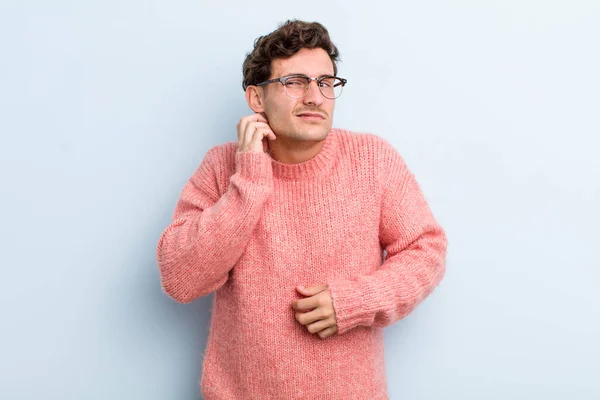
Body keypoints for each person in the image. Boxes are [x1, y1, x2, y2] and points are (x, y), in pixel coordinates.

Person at [156, 19, 448, 400]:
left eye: (326, 83)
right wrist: (251, 178)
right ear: (256, 98)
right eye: (294, 82)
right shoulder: (221, 166)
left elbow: (426, 250)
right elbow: (181, 279)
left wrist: (356, 301)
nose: (314, 96)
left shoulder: (372, 159)